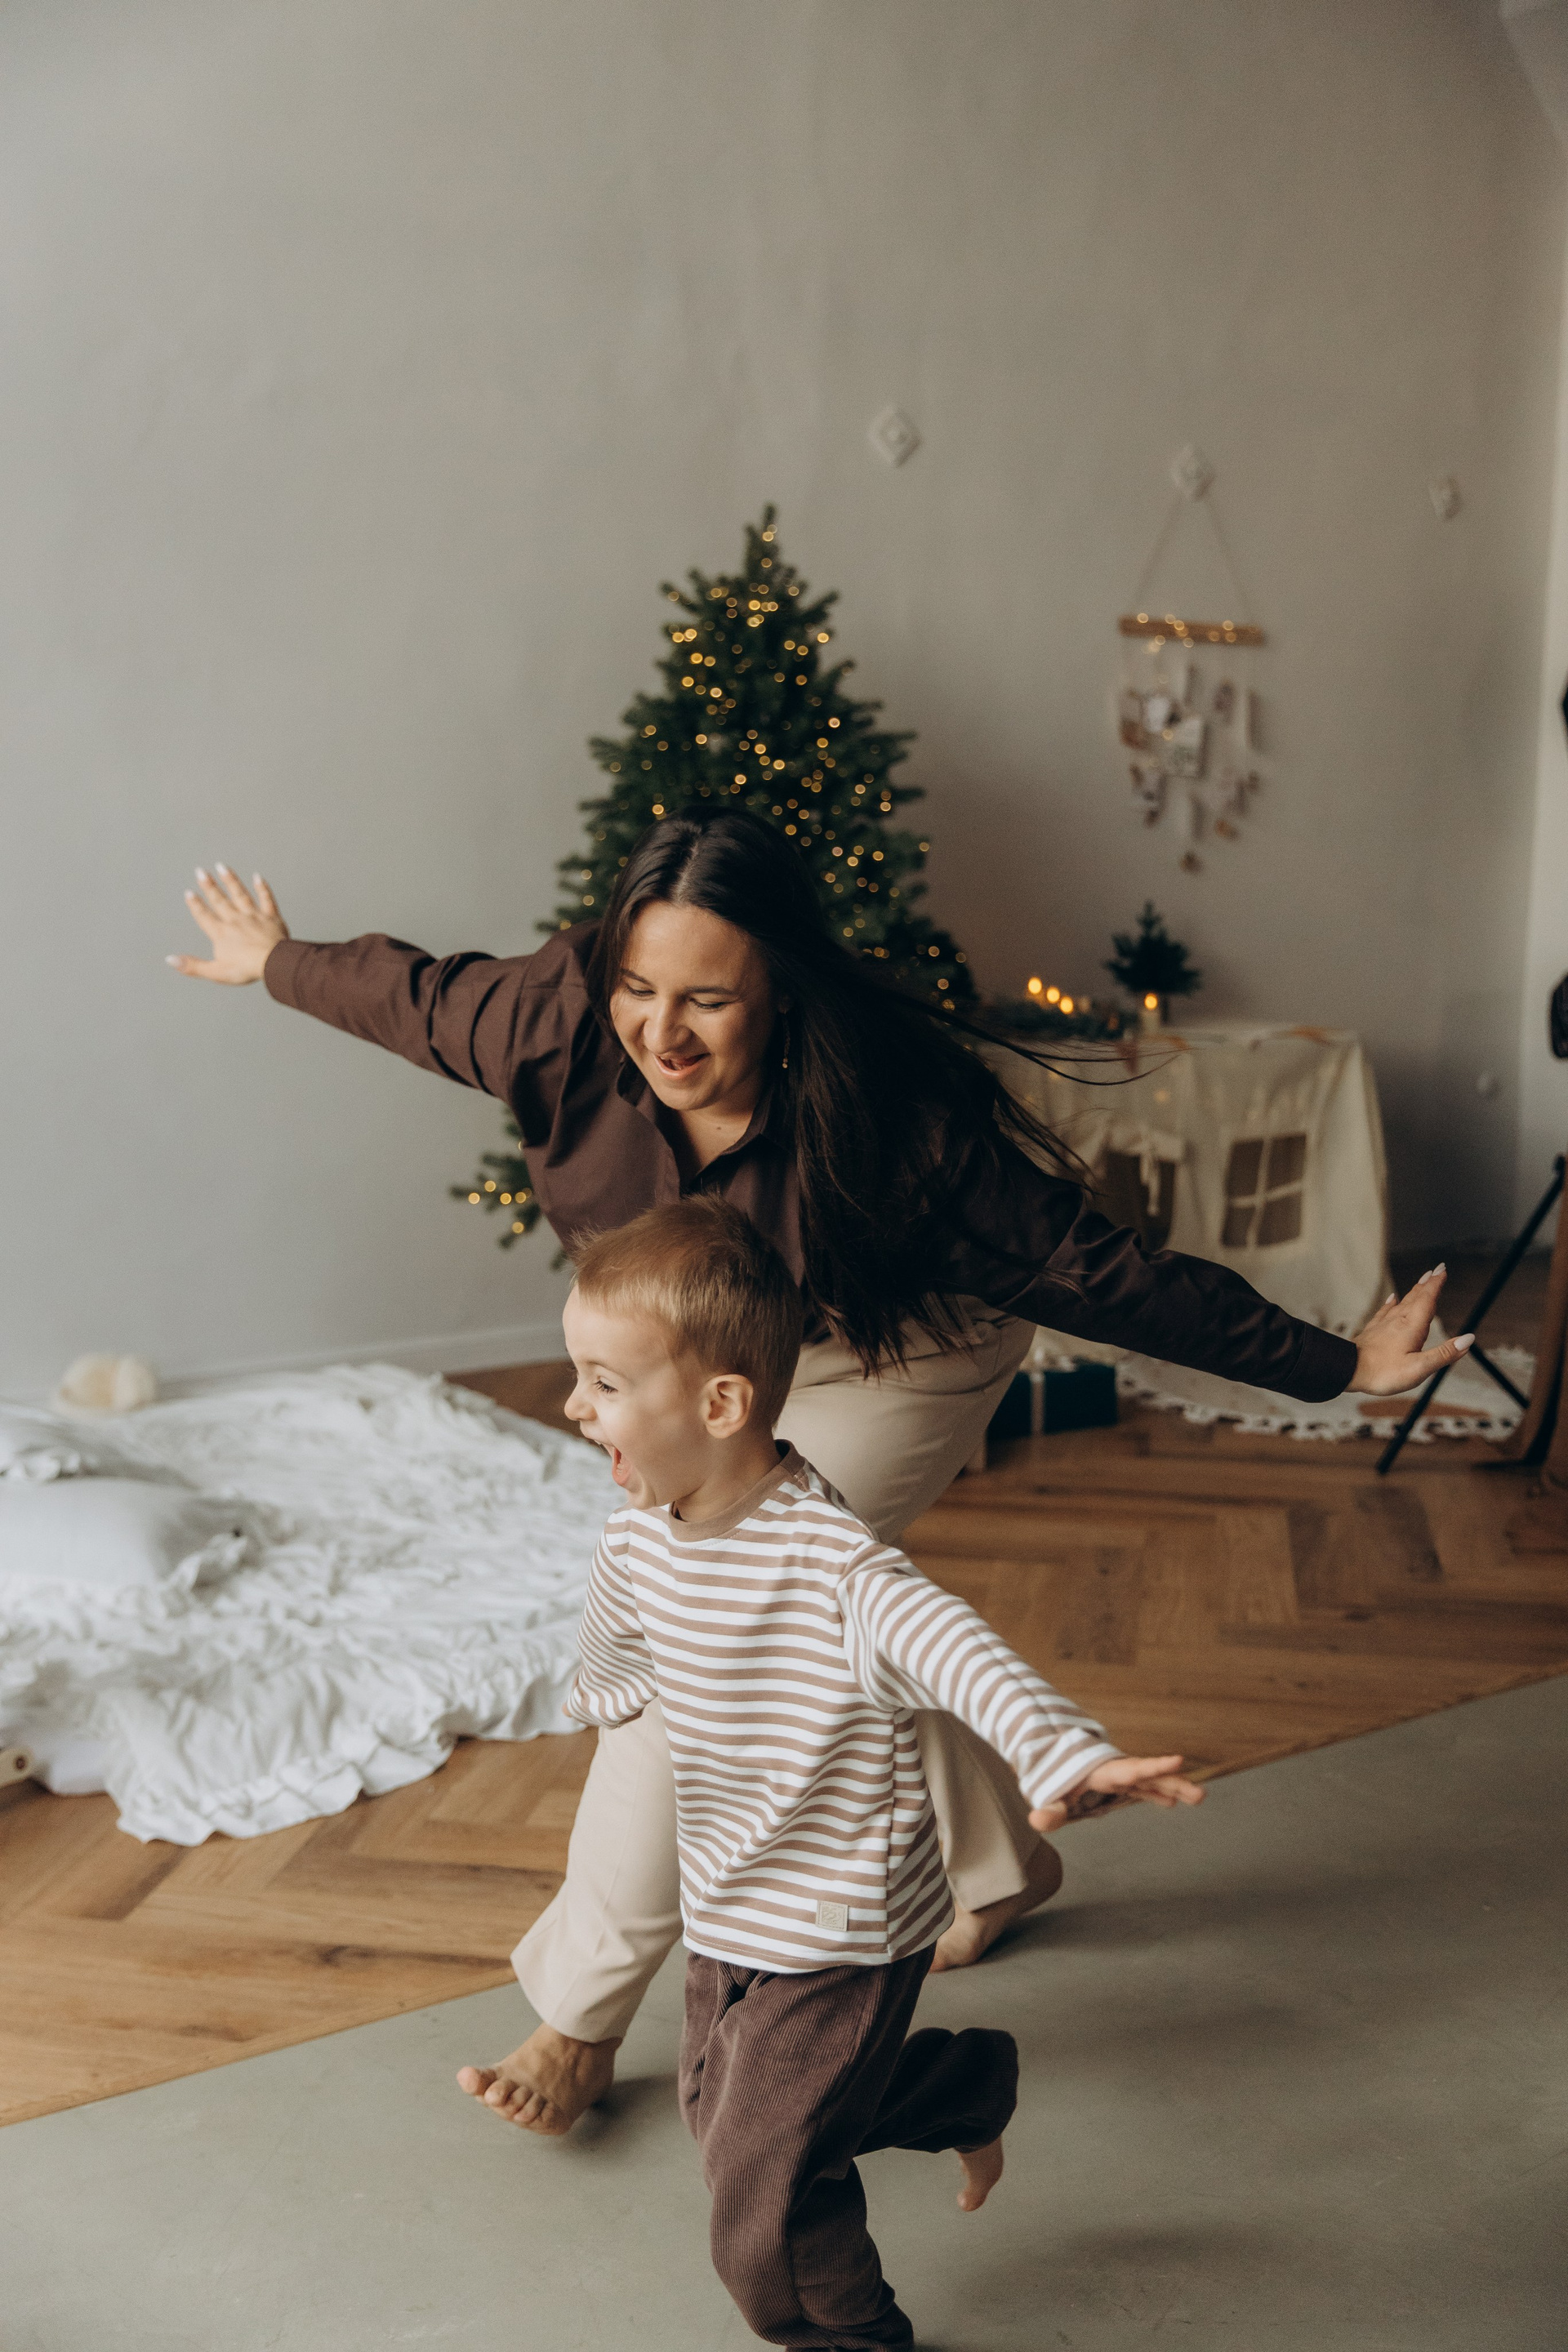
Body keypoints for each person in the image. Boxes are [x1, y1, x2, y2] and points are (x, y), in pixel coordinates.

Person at [168, 812, 1468, 2134]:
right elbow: (415, 996)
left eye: (709, 1001)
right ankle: (998, 1864)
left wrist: (1335, 1361)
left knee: (715, 1622)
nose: (663, 1033)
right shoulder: (556, 1019)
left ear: (781, 990)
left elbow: (1097, 1270)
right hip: (724, 1365)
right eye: (639, 988)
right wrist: (274, 959)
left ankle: (576, 2019)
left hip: (901, 1351)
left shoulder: (894, 1125)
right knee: (823, 1613)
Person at [501, 1195, 1205, 2352]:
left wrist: (1066, 1751)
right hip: (726, 1896)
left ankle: (849, 2335)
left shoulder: (837, 1570)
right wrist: (603, 1693)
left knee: (761, 2205)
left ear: (721, 1405)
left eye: (604, 1382)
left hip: (842, 1922)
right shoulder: (639, 1536)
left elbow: (960, 1653)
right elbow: (621, 1636)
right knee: (719, 2119)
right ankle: (959, 2088)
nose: (574, 1406)